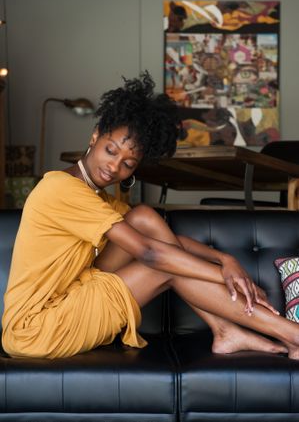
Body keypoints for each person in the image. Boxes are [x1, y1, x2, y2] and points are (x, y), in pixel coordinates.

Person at [2, 72, 299, 360]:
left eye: (128, 163)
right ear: (95, 135)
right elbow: (151, 254)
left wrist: (226, 260)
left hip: (71, 294)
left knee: (144, 217)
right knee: (164, 264)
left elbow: (159, 242)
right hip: (37, 327)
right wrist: (225, 274)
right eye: (110, 150)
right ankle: (291, 333)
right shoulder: (61, 188)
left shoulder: (97, 195)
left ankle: (225, 331)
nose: (114, 167)